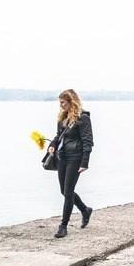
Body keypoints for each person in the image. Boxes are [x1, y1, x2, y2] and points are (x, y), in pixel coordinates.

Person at [47, 89, 94, 239]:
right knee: (63, 191)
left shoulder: (83, 118)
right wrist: (53, 144)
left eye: (63, 102)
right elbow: (58, 135)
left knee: (68, 192)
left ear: (71, 101)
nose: (61, 106)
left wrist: (84, 162)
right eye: (60, 103)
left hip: (76, 158)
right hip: (62, 157)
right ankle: (85, 210)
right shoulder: (62, 117)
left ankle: (63, 226)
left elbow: (88, 141)